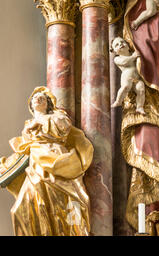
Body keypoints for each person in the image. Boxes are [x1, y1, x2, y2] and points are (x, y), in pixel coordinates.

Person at [0, 87, 94, 236]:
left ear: (48, 103)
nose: (38, 98)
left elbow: (64, 128)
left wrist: (43, 123)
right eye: (35, 97)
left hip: (56, 159)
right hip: (35, 166)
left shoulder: (57, 116)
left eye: (42, 97)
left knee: (61, 207)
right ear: (31, 105)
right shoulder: (28, 125)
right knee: (20, 209)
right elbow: (22, 151)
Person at [110, 37, 146, 114]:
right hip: (127, 78)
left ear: (128, 45)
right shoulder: (117, 59)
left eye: (122, 42)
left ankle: (139, 107)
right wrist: (133, 57)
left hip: (137, 79)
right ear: (115, 52)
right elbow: (124, 62)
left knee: (141, 89)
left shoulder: (133, 53)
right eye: (116, 45)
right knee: (126, 87)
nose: (120, 44)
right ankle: (118, 101)